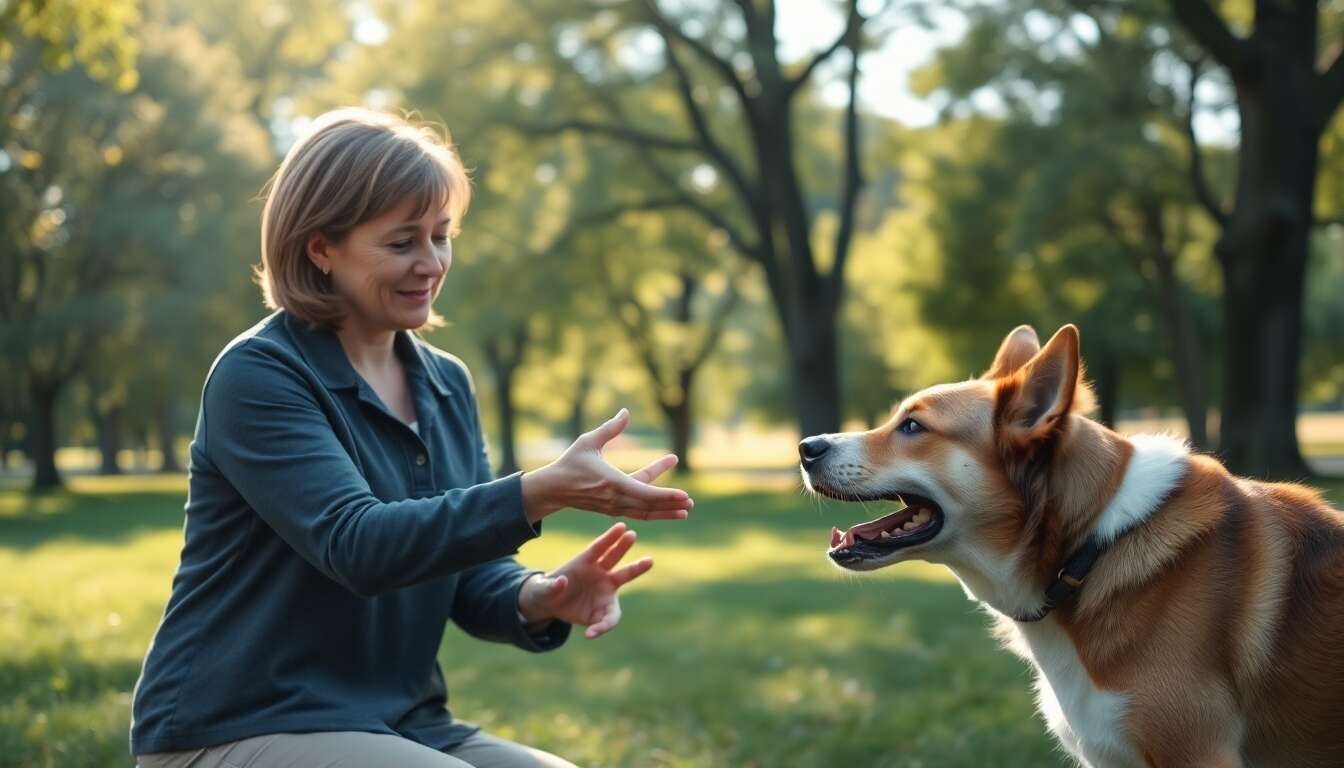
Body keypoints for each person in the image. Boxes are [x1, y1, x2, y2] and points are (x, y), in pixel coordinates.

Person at [130, 107, 693, 768]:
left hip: (403, 723)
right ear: (321, 249)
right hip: (236, 724)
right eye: (402, 243)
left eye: (441, 236)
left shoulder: (446, 384)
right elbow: (359, 545)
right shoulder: (259, 375)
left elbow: (461, 570)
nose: (430, 263)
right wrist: (539, 491)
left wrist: (537, 596)